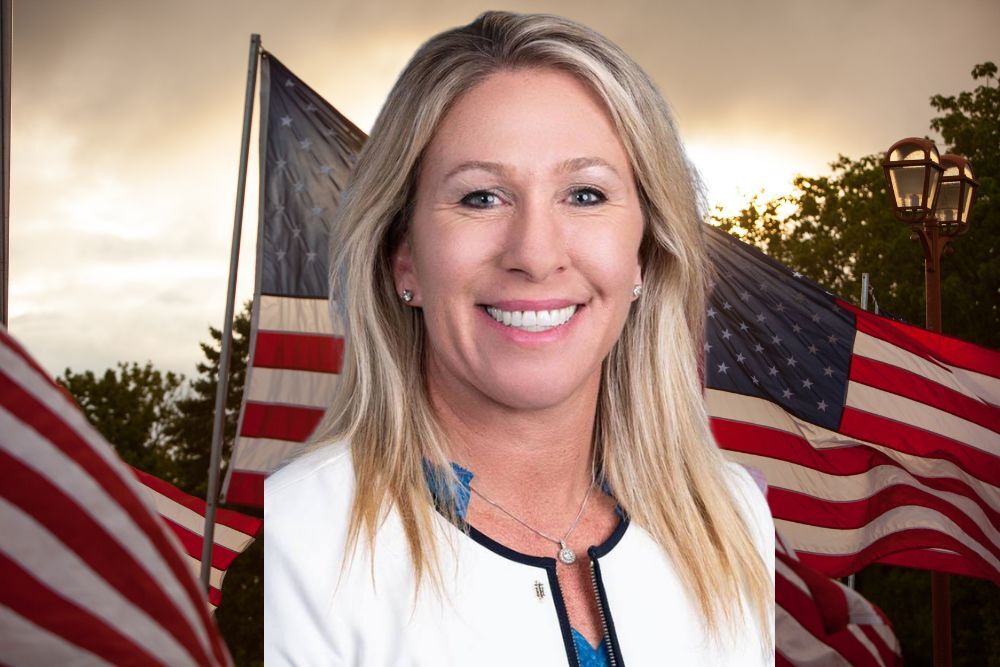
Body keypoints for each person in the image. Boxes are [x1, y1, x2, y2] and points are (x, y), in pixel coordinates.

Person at [265, 10, 775, 666]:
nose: (535, 254)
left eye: (585, 195)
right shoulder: (299, 538)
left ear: (644, 256)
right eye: (481, 197)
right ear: (404, 258)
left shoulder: (734, 521)